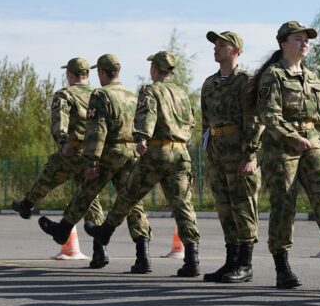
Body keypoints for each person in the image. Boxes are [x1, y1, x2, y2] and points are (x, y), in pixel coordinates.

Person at [85, 51, 201, 277]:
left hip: (158, 153)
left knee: (129, 194)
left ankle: (105, 232)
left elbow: (147, 116)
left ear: (155, 69)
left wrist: (142, 138)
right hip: (181, 153)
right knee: (183, 206)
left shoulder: (151, 91)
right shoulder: (182, 94)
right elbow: (191, 122)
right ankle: (192, 259)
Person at [38, 54, 152, 272]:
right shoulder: (131, 94)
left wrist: (92, 162)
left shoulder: (101, 94)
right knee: (132, 202)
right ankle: (142, 255)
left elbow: (97, 131)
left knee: (86, 193)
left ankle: (64, 230)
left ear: (101, 72)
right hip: (132, 153)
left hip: (110, 152)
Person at [249, 20, 320, 289]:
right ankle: (282, 266)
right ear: (283, 43)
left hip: (311, 142)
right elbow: (269, 114)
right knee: (284, 205)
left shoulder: (311, 76)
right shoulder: (273, 75)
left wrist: (319, 139)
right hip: (282, 147)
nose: (304, 43)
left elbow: (319, 117)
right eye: (298, 39)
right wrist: (292, 137)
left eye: (307, 39)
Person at [11, 57, 105, 264]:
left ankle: (27, 205)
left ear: (70, 75)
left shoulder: (65, 94)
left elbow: (58, 122)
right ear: (87, 75)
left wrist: (63, 142)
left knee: (49, 174)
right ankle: (100, 251)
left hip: (73, 150)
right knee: (90, 197)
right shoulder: (100, 95)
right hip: (96, 153)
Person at [200, 31, 262, 283]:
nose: (216, 48)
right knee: (225, 208)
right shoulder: (209, 83)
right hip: (217, 153)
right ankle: (231, 261)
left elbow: (254, 119)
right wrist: (208, 151)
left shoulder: (246, 81)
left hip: (238, 152)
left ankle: (245, 265)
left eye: (222, 44)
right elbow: (205, 121)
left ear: (236, 51)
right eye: (215, 44)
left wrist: (250, 154)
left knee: (243, 206)